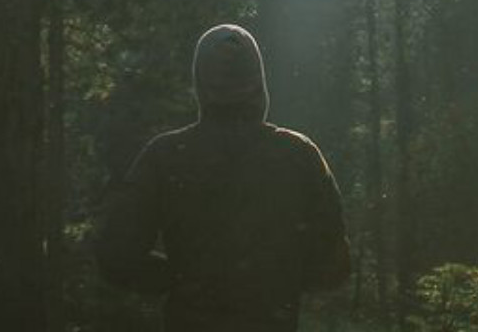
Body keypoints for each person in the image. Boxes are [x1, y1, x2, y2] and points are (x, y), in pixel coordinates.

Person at [98, 23, 351, 332]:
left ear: (201, 84)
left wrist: (178, 278)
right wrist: (275, 278)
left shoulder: (166, 156)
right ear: (258, 83)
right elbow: (334, 267)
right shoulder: (298, 155)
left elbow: (116, 256)